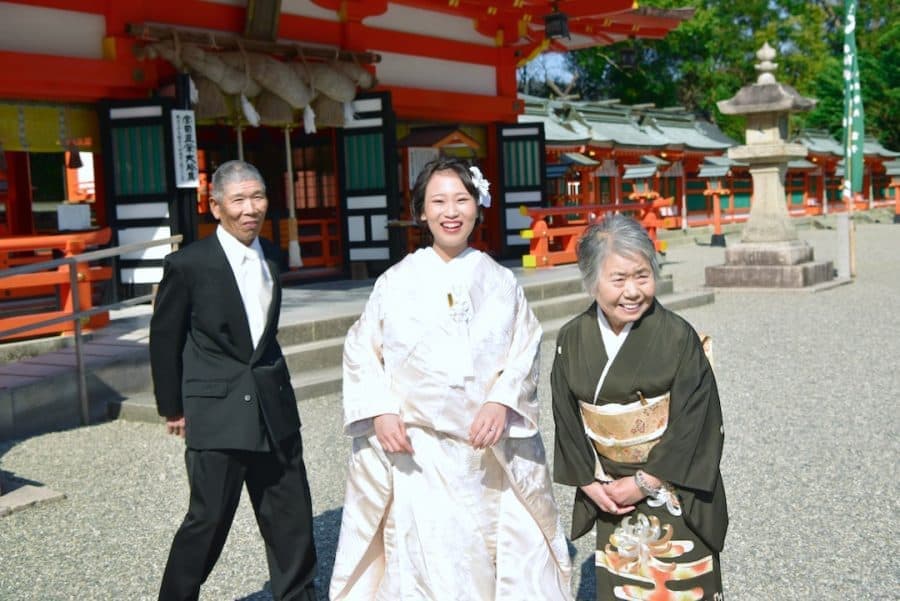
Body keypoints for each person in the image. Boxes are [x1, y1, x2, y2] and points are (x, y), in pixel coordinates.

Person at [329, 157, 572, 600]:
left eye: (462, 199)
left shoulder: (500, 282)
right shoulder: (394, 282)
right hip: (417, 453)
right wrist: (381, 411)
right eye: (437, 201)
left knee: (490, 559)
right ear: (421, 211)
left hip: (484, 452)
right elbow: (361, 349)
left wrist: (501, 402)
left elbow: (525, 346)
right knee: (424, 566)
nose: (451, 211)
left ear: (478, 207)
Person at [150, 160, 317, 601]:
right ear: (216, 206)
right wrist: (173, 406)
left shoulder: (272, 255)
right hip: (217, 408)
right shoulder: (188, 265)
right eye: (239, 199)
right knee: (207, 521)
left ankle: (298, 594)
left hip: (273, 403)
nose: (250, 209)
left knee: (291, 516)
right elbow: (164, 339)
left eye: (257, 197)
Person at [551, 214, 728, 600]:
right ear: (591, 280)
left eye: (642, 276)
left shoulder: (677, 336)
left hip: (673, 488)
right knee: (626, 587)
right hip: (611, 492)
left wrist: (645, 482)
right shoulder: (572, 339)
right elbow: (566, 417)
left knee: (680, 585)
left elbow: (695, 422)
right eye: (618, 279)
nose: (632, 291)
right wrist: (587, 481)